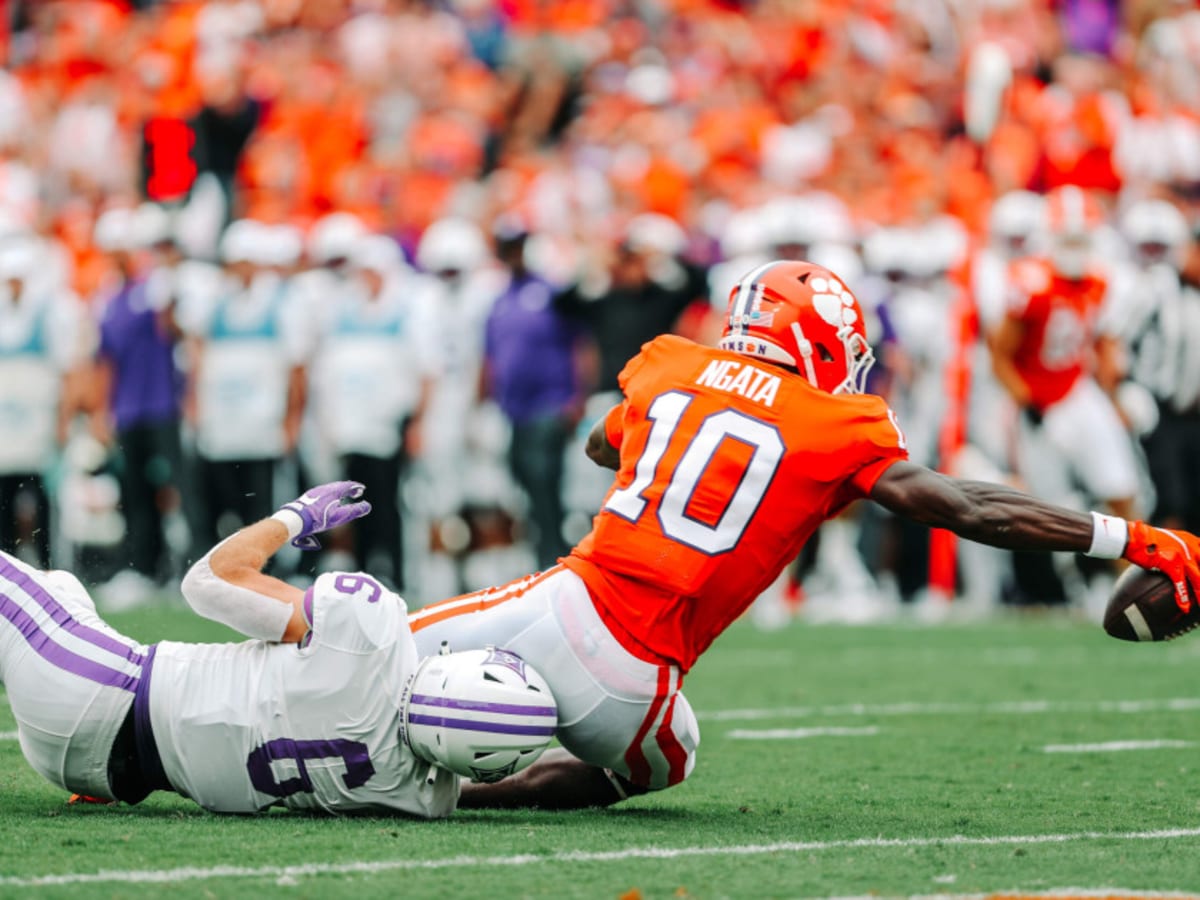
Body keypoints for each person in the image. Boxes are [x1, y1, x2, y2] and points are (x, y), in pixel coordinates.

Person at [407, 259, 1200, 810]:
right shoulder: (835, 422)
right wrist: (1127, 536)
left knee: (389, 642)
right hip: (637, 691)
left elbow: (602, 444)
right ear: (817, 340)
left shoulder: (669, 366)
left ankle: (339, 753)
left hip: (572, 606)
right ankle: (471, 794)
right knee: (662, 764)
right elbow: (967, 507)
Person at [0, 481, 556, 815]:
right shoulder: (415, 798)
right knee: (60, 588)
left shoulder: (368, 634)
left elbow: (207, 582)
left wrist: (297, 515)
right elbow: (525, 782)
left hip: (101, 689)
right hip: (99, 776)